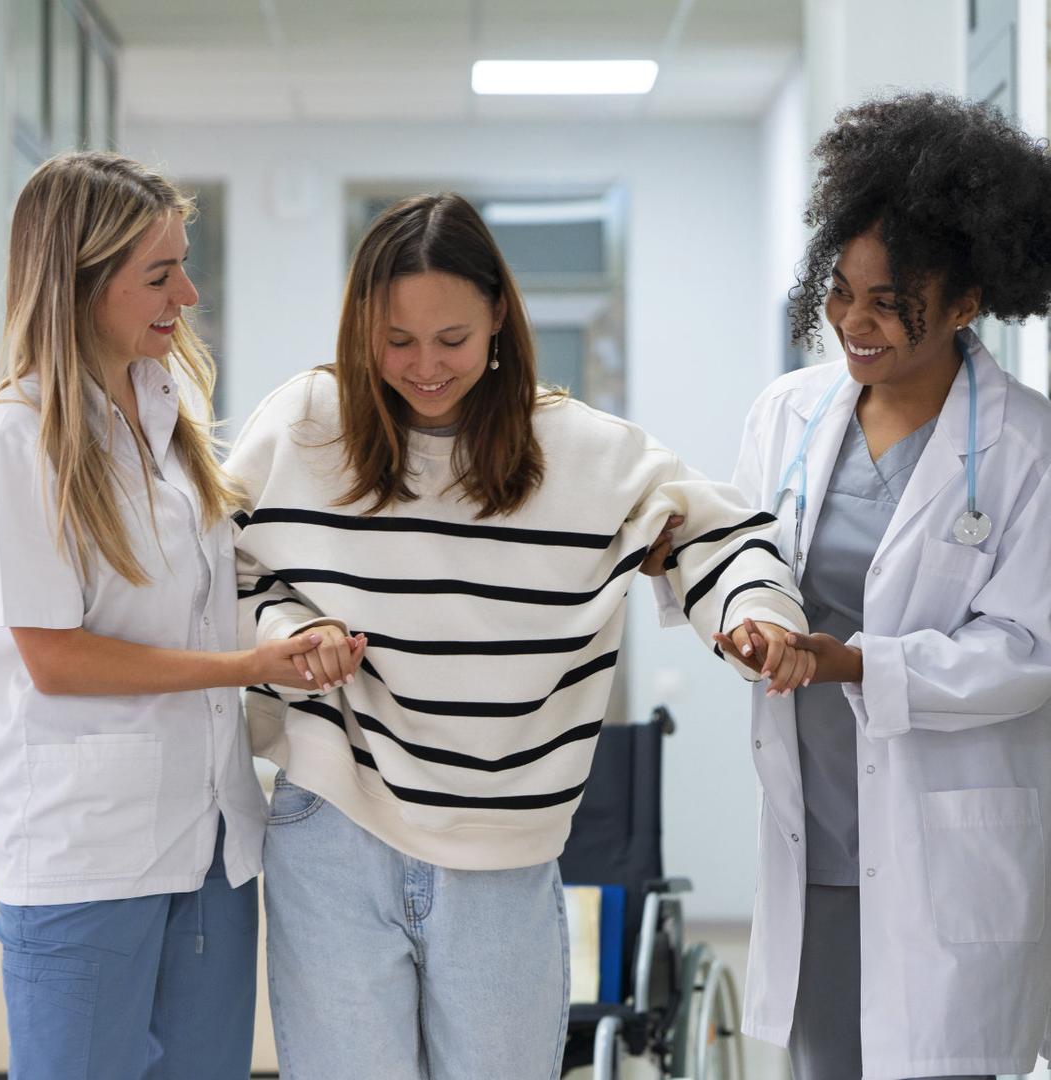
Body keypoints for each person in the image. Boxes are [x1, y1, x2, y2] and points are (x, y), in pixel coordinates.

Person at [227, 192, 813, 1080]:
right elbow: (222, 570)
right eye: (397, 341)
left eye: (452, 338)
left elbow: (719, 535)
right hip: (335, 824)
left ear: (499, 315)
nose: (425, 367)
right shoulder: (304, 427)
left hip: (505, 845)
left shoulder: (581, 450)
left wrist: (750, 615)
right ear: (359, 328)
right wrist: (291, 628)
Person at [707, 93, 1051, 1080]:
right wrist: (746, 618)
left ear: (967, 300)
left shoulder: (1026, 446)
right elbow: (743, 555)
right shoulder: (790, 412)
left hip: (946, 838)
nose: (856, 321)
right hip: (815, 831)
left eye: (892, 300)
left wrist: (857, 663)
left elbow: (1029, 650)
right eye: (841, 290)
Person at [0, 151, 323, 1079]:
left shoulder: (171, 408)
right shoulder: (19, 437)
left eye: (184, 265)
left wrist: (288, 632)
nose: (189, 293)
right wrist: (246, 673)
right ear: (81, 281)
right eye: (160, 274)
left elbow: (206, 602)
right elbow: (57, 658)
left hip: (212, 842)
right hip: (88, 848)